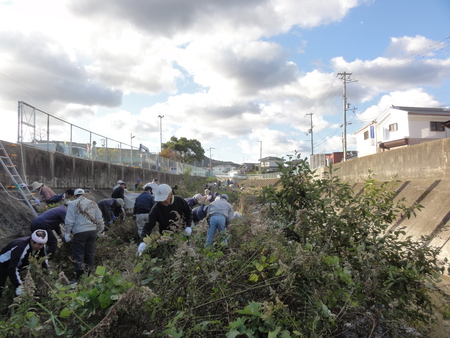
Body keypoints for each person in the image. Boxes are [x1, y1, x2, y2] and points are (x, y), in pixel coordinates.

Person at [137, 184, 193, 254]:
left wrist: (188, 226)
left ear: (171, 195)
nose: (163, 203)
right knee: (170, 253)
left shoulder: (179, 201)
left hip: (183, 232)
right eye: (160, 201)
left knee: (186, 252)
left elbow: (189, 212)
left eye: (165, 201)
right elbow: (148, 225)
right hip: (166, 236)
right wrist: (143, 241)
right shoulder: (156, 208)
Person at [64, 188, 105, 282]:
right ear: (84, 194)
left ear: (75, 196)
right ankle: (89, 275)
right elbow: (99, 218)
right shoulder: (93, 203)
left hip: (79, 232)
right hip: (92, 232)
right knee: (89, 253)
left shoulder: (72, 204)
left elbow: (69, 220)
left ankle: (80, 278)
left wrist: (67, 233)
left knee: (79, 254)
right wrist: (101, 230)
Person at [0, 229, 49, 296]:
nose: (41, 247)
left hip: (20, 263)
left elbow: (43, 258)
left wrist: (47, 271)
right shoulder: (20, 247)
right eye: (39, 245)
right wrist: (19, 286)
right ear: (32, 241)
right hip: (3, 263)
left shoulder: (40, 246)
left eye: (43, 245)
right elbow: (12, 268)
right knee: (1, 285)